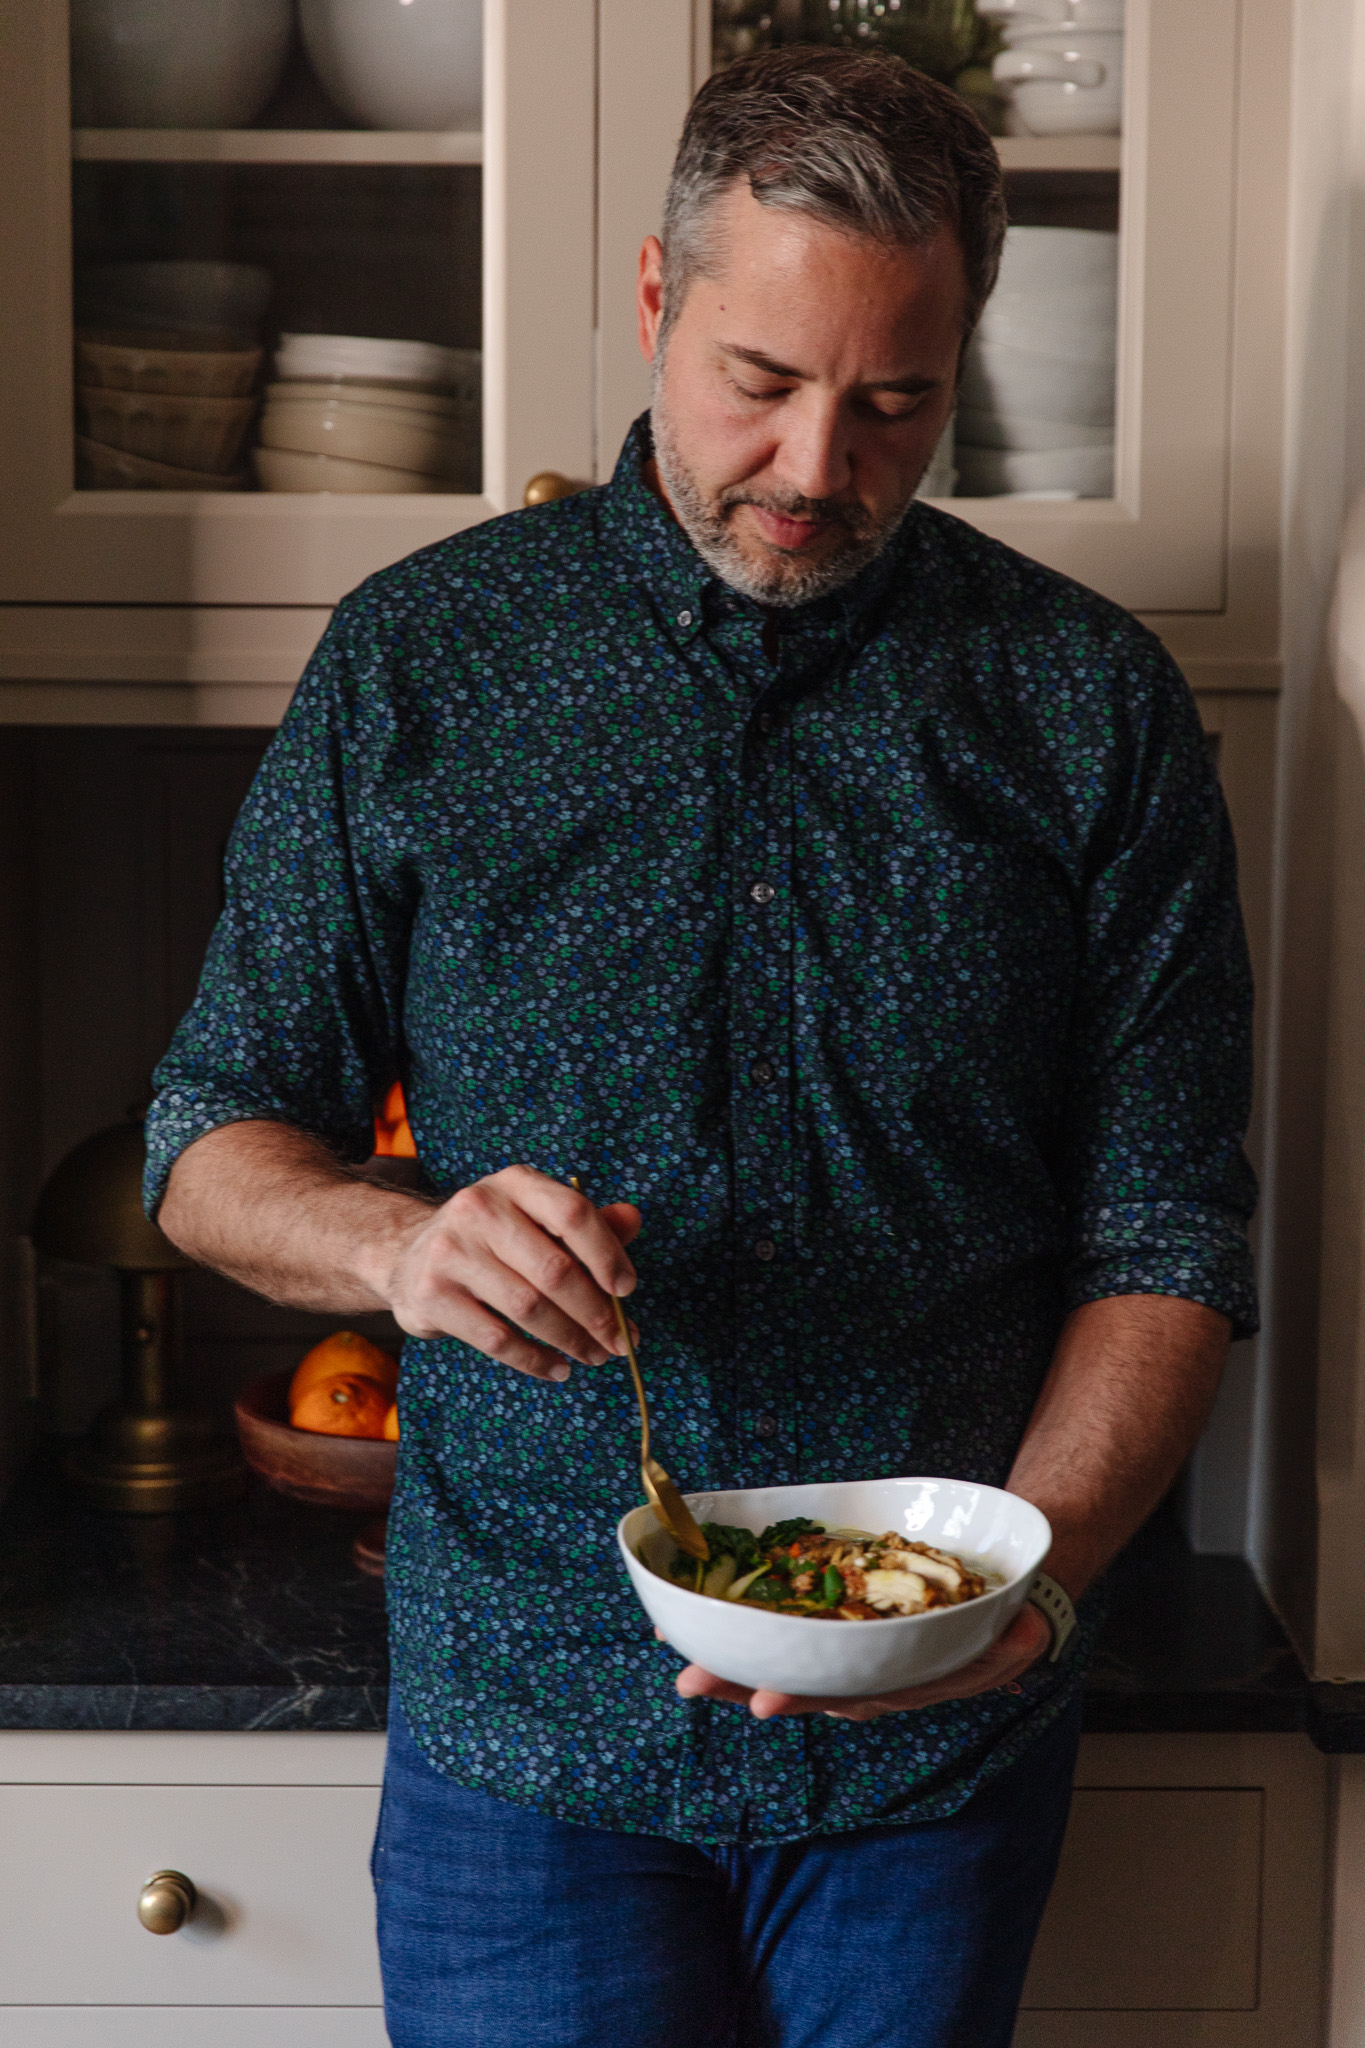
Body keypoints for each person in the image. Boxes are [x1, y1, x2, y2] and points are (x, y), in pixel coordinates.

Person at [145, 45, 1257, 2048]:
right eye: (758, 379)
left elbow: (1163, 1235)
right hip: (524, 1730)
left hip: (933, 1741)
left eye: (892, 402)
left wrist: (1020, 1590)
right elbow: (210, 1136)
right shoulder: (419, 658)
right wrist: (397, 1247)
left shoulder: (1087, 708)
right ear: (657, 305)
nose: (817, 466)